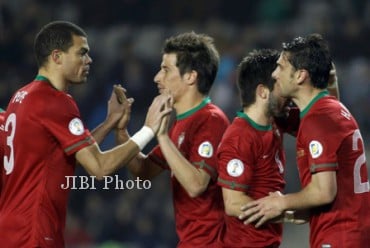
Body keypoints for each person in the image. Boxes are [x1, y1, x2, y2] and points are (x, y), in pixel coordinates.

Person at [0, 21, 171, 247]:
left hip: (10, 231)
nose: (89, 60)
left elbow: (61, 159)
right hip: (35, 232)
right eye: (82, 53)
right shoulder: (55, 101)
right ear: (57, 57)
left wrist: (110, 123)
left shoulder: (20, 98)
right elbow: (99, 168)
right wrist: (149, 129)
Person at [239, 34, 370, 247]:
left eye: (281, 67)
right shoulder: (332, 110)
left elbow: (324, 191)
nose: (274, 74)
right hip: (354, 232)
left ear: (300, 76)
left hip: (339, 235)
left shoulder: (317, 120)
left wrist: (282, 202)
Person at [116, 32, 230, 247]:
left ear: (190, 77)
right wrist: (122, 132)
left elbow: (197, 184)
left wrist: (161, 135)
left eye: (166, 69)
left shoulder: (211, 120)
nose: (157, 77)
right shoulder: (181, 124)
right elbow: (143, 171)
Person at [217, 49, 299, 247]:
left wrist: (329, 84)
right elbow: (234, 203)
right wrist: (288, 213)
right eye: (281, 86)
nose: (288, 94)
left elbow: (321, 117)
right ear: (263, 92)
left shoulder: (277, 120)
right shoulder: (239, 138)